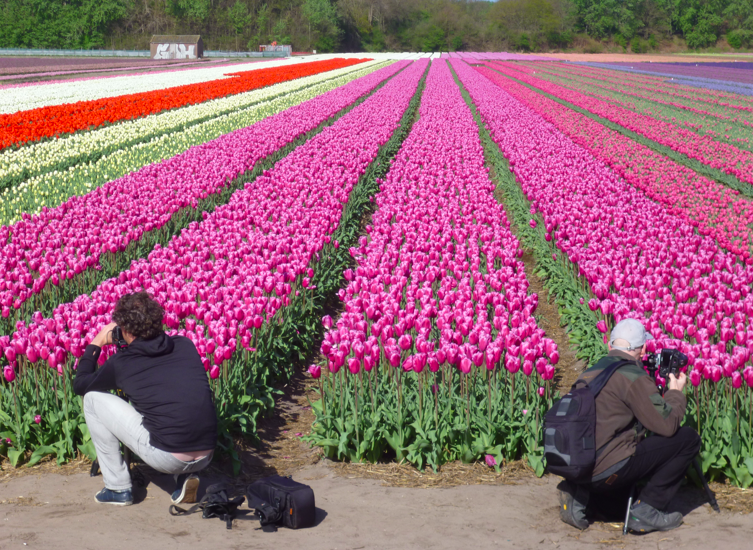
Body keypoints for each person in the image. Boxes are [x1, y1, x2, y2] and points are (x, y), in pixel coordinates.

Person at [74, 292, 217, 507]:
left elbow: (81, 385)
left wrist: (98, 341)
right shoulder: (184, 344)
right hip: (207, 453)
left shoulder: (123, 362)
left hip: (167, 457)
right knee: (164, 405)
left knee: (93, 398)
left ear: (127, 331)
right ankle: (185, 477)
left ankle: (117, 488)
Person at [558, 318, 701, 533]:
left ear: (609, 345)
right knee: (688, 438)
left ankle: (581, 496)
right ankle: (647, 510)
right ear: (643, 349)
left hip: (580, 466)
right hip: (608, 468)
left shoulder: (590, 373)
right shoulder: (632, 376)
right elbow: (667, 425)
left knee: (618, 509)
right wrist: (674, 393)